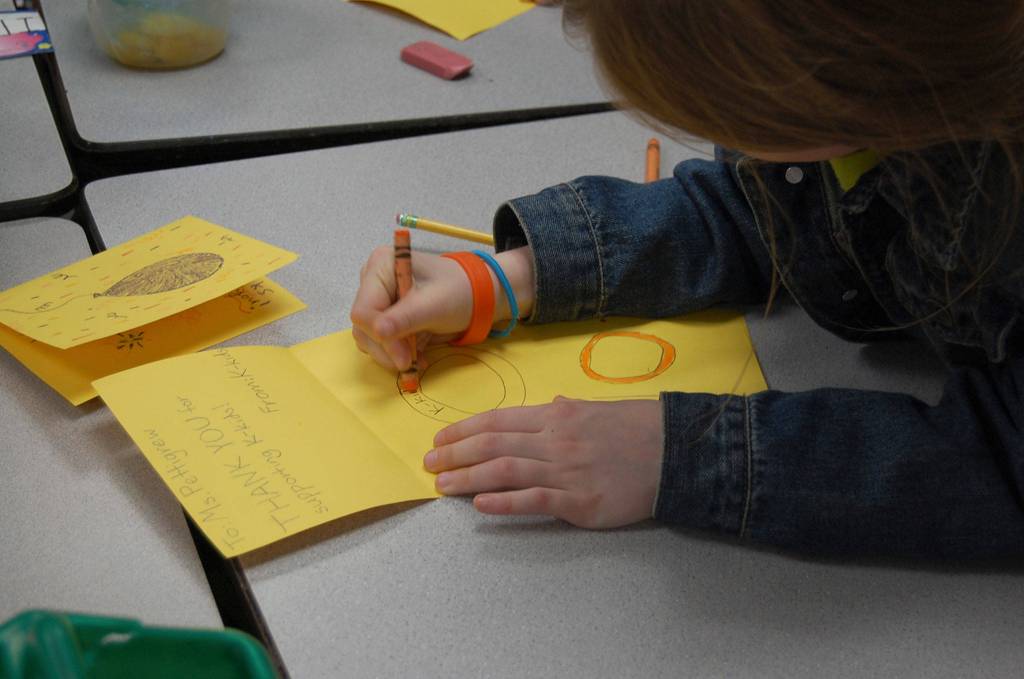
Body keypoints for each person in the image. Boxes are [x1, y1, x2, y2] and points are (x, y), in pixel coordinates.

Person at [350, 1, 1024, 559]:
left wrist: (682, 455)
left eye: (735, 118)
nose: (726, 141)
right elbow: (759, 208)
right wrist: (514, 276)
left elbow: (1002, 465)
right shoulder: (857, 100)